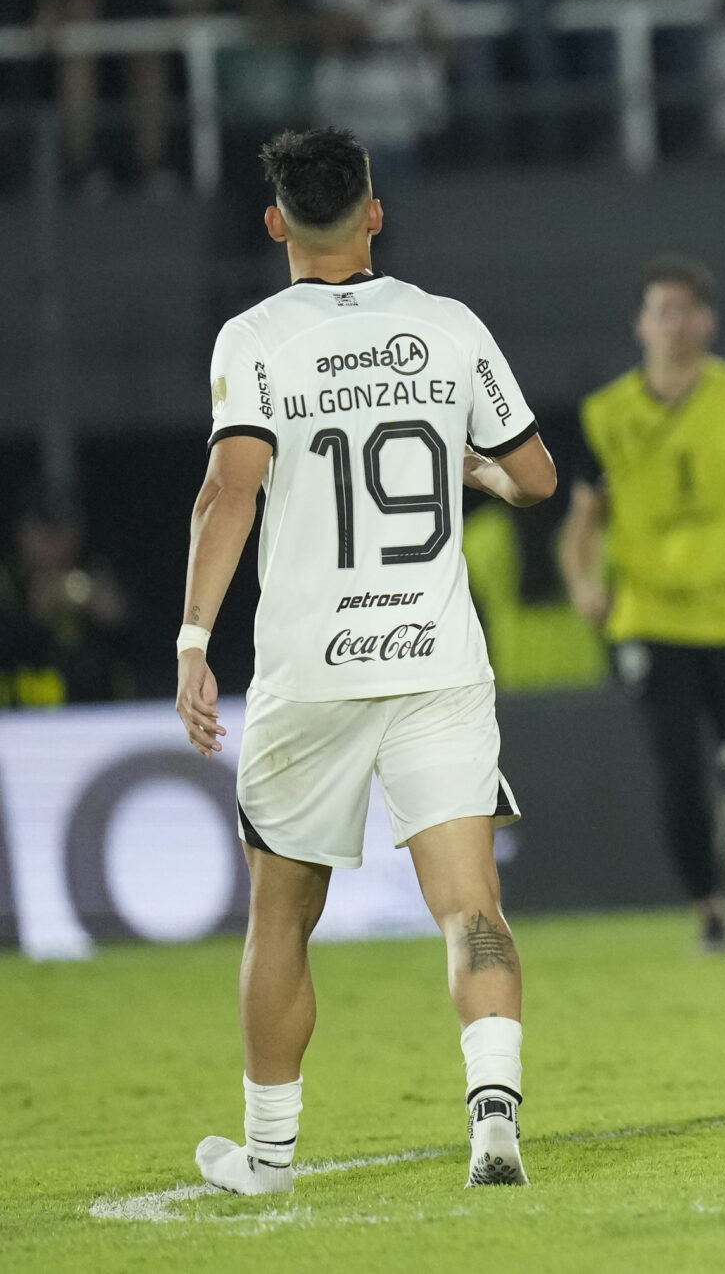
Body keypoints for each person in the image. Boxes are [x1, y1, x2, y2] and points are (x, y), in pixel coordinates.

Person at [175, 126, 557, 1191]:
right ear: (374, 213)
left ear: (274, 221)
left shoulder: (253, 339)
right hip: (435, 657)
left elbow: (230, 490)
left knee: (283, 916)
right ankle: (493, 1109)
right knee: (472, 908)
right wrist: (471, 468)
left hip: (313, 672)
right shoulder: (446, 326)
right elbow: (537, 477)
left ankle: (270, 1154)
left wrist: (193, 641)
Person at [559, 255, 725, 954]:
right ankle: (709, 907)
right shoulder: (605, 414)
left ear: (710, 321)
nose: (675, 324)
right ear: (641, 323)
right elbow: (583, 518)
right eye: (662, 311)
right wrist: (584, 581)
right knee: (675, 766)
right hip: (651, 614)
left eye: (688, 311)